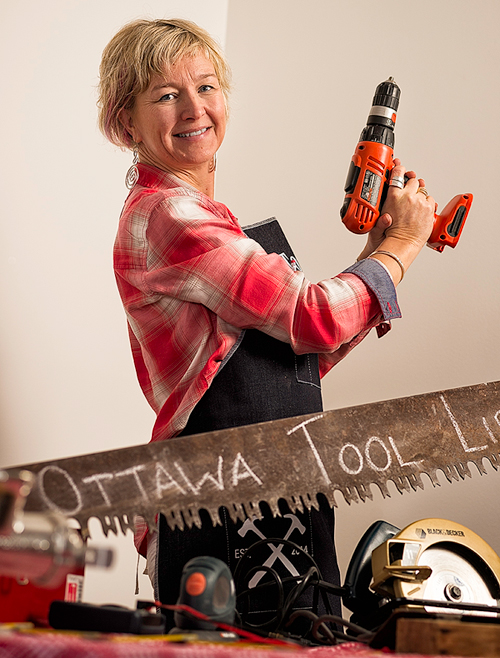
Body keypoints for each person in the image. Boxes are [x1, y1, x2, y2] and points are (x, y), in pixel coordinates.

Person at [97, 18, 435, 628]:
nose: (195, 108)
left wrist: (377, 257)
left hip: (283, 495)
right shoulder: (171, 217)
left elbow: (299, 352)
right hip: (223, 508)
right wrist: (404, 245)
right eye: (166, 95)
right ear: (128, 121)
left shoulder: (203, 218)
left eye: (206, 87)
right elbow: (312, 317)